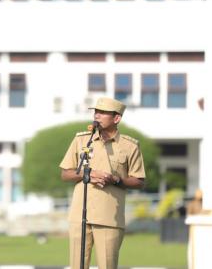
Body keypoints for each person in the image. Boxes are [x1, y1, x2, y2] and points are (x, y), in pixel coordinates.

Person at [59, 97, 146, 269]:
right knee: (77, 266)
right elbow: (66, 173)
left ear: (116, 118)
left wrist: (116, 179)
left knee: (107, 266)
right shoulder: (82, 140)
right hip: (80, 216)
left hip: (109, 217)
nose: (97, 116)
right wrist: (88, 174)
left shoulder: (130, 146)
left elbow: (139, 181)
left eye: (103, 113)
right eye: (95, 112)